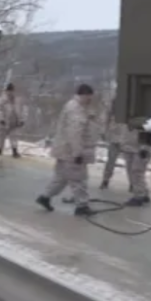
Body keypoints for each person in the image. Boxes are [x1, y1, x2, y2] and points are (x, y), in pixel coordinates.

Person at [35, 84, 99, 217]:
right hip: (71, 151)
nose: (90, 100)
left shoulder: (75, 106)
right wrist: (77, 153)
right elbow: (75, 133)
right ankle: (82, 206)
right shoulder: (76, 109)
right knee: (78, 179)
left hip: (63, 150)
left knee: (61, 177)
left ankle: (45, 197)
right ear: (85, 95)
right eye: (89, 97)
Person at [100, 96, 131, 192]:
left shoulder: (131, 102)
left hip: (126, 136)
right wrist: (103, 131)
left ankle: (133, 183)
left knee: (130, 162)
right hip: (114, 135)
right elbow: (106, 118)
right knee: (111, 160)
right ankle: (105, 180)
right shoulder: (114, 102)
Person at [120, 126, 151, 207]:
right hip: (128, 145)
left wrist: (145, 148)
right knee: (132, 172)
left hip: (141, 148)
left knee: (137, 172)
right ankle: (143, 192)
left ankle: (139, 196)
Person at [0, 83, 24, 158]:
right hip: (4, 122)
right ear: (6, 91)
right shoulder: (1, 100)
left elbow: (19, 111)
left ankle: (14, 151)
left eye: (12, 91)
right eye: (9, 91)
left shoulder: (16, 101)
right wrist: (1, 119)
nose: (11, 92)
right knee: (2, 137)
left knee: (14, 137)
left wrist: (21, 120)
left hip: (14, 122)